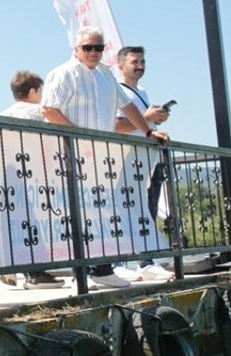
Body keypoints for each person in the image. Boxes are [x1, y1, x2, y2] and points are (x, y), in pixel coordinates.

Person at [41, 28, 170, 289]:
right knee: (74, 212)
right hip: (69, 153)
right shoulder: (62, 73)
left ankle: (101, 269)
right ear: (76, 48)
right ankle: (85, 271)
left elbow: (127, 106)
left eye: (98, 48)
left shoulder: (106, 76)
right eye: (87, 47)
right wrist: (80, 137)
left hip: (101, 157)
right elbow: (48, 109)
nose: (93, 53)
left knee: (101, 211)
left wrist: (148, 131)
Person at [111, 45, 175, 282]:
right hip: (125, 159)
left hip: (148, 158)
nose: (139, 66)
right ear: (121, 65)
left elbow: (142, 124)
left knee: (146, 209)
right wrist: (146, 119)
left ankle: (146, 260)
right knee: (121, 209)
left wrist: (154, 121)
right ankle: (117, 261)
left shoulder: (143, 92)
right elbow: (115, 126)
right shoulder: (117, 91)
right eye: (134, 62)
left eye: (142, 62)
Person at [0, 71, 62, 289]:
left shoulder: (3, 114)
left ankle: (10, 267)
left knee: (15, 222)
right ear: (33, 90)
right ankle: (36, 273)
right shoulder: (38, 113)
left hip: (8, 175)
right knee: (38, 222)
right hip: (35, 172)